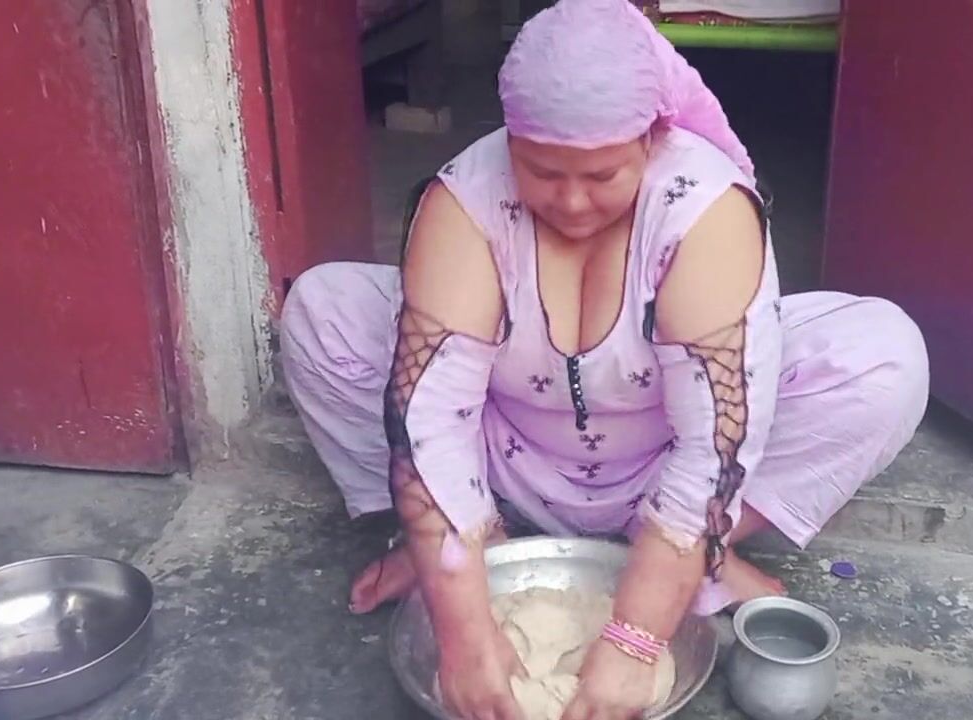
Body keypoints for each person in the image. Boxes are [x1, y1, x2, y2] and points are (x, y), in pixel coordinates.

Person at [279, 0, 928, 716]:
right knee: (321, 309)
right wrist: (463, 625)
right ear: (510, 138)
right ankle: (474, 543)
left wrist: (633, 639)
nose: (572, 202)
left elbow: (713, 446)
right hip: (504, 456)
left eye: (602, 175)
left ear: (652, 137)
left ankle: (691, 554)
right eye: (540, 170)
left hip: (661, 464)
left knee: (884, 356)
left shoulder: (705, 209)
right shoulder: (466, 198)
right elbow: (427, 419)